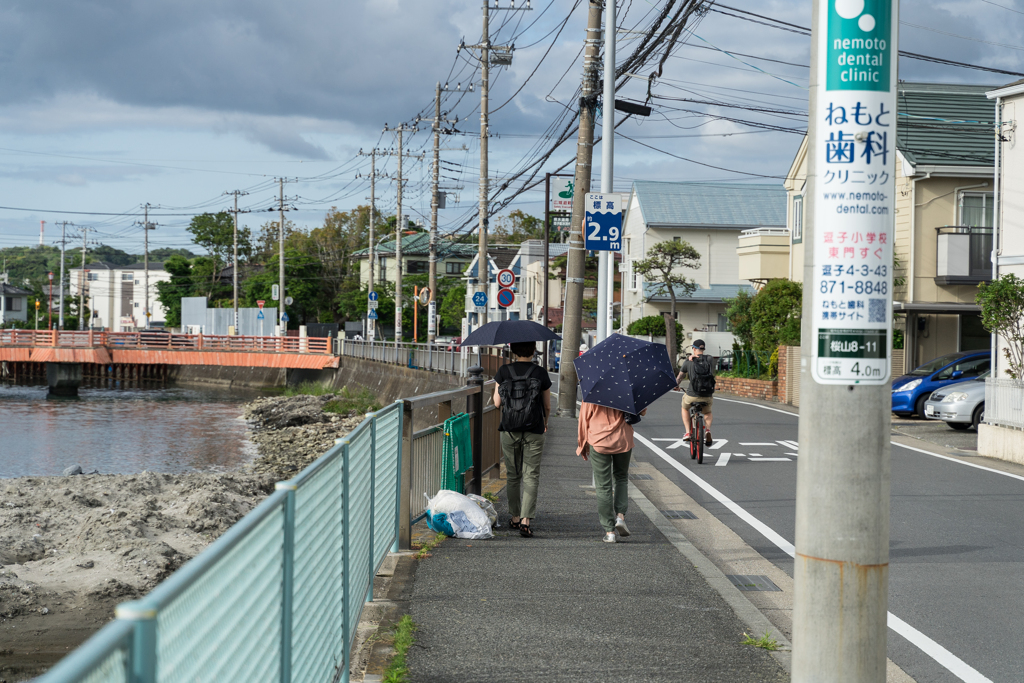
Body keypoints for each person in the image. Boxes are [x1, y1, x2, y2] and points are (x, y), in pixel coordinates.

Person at [492, 341, 552, 538]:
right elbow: (548, 405)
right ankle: (526, 521)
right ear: (533, 350)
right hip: (534, 429)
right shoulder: (540, 372)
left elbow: (496, 403)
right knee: (531, 475)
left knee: (513, 474)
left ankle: (515, 517)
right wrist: (545, 422)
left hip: (509, 430)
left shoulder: (503, 371)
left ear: (513, 351)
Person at [577, 403, 645, 543]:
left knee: (603, 485)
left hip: (598, 439)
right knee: (621, 478)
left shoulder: (593, 387)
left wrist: (582, 443)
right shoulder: (627, 385)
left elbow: (584, 418)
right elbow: (642, 411)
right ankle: (620, 516)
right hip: (623, 438)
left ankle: (609, 532)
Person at [675, 339, 716, 446]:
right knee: (707, 412)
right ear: (703, 349)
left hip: (692, 395)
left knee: (684, 408)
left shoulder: (688, 361)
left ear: (694, 349)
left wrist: (676, 385)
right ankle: (707, 430)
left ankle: (688, 432)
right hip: (707, 394)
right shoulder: (710, 359)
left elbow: (680, 376)